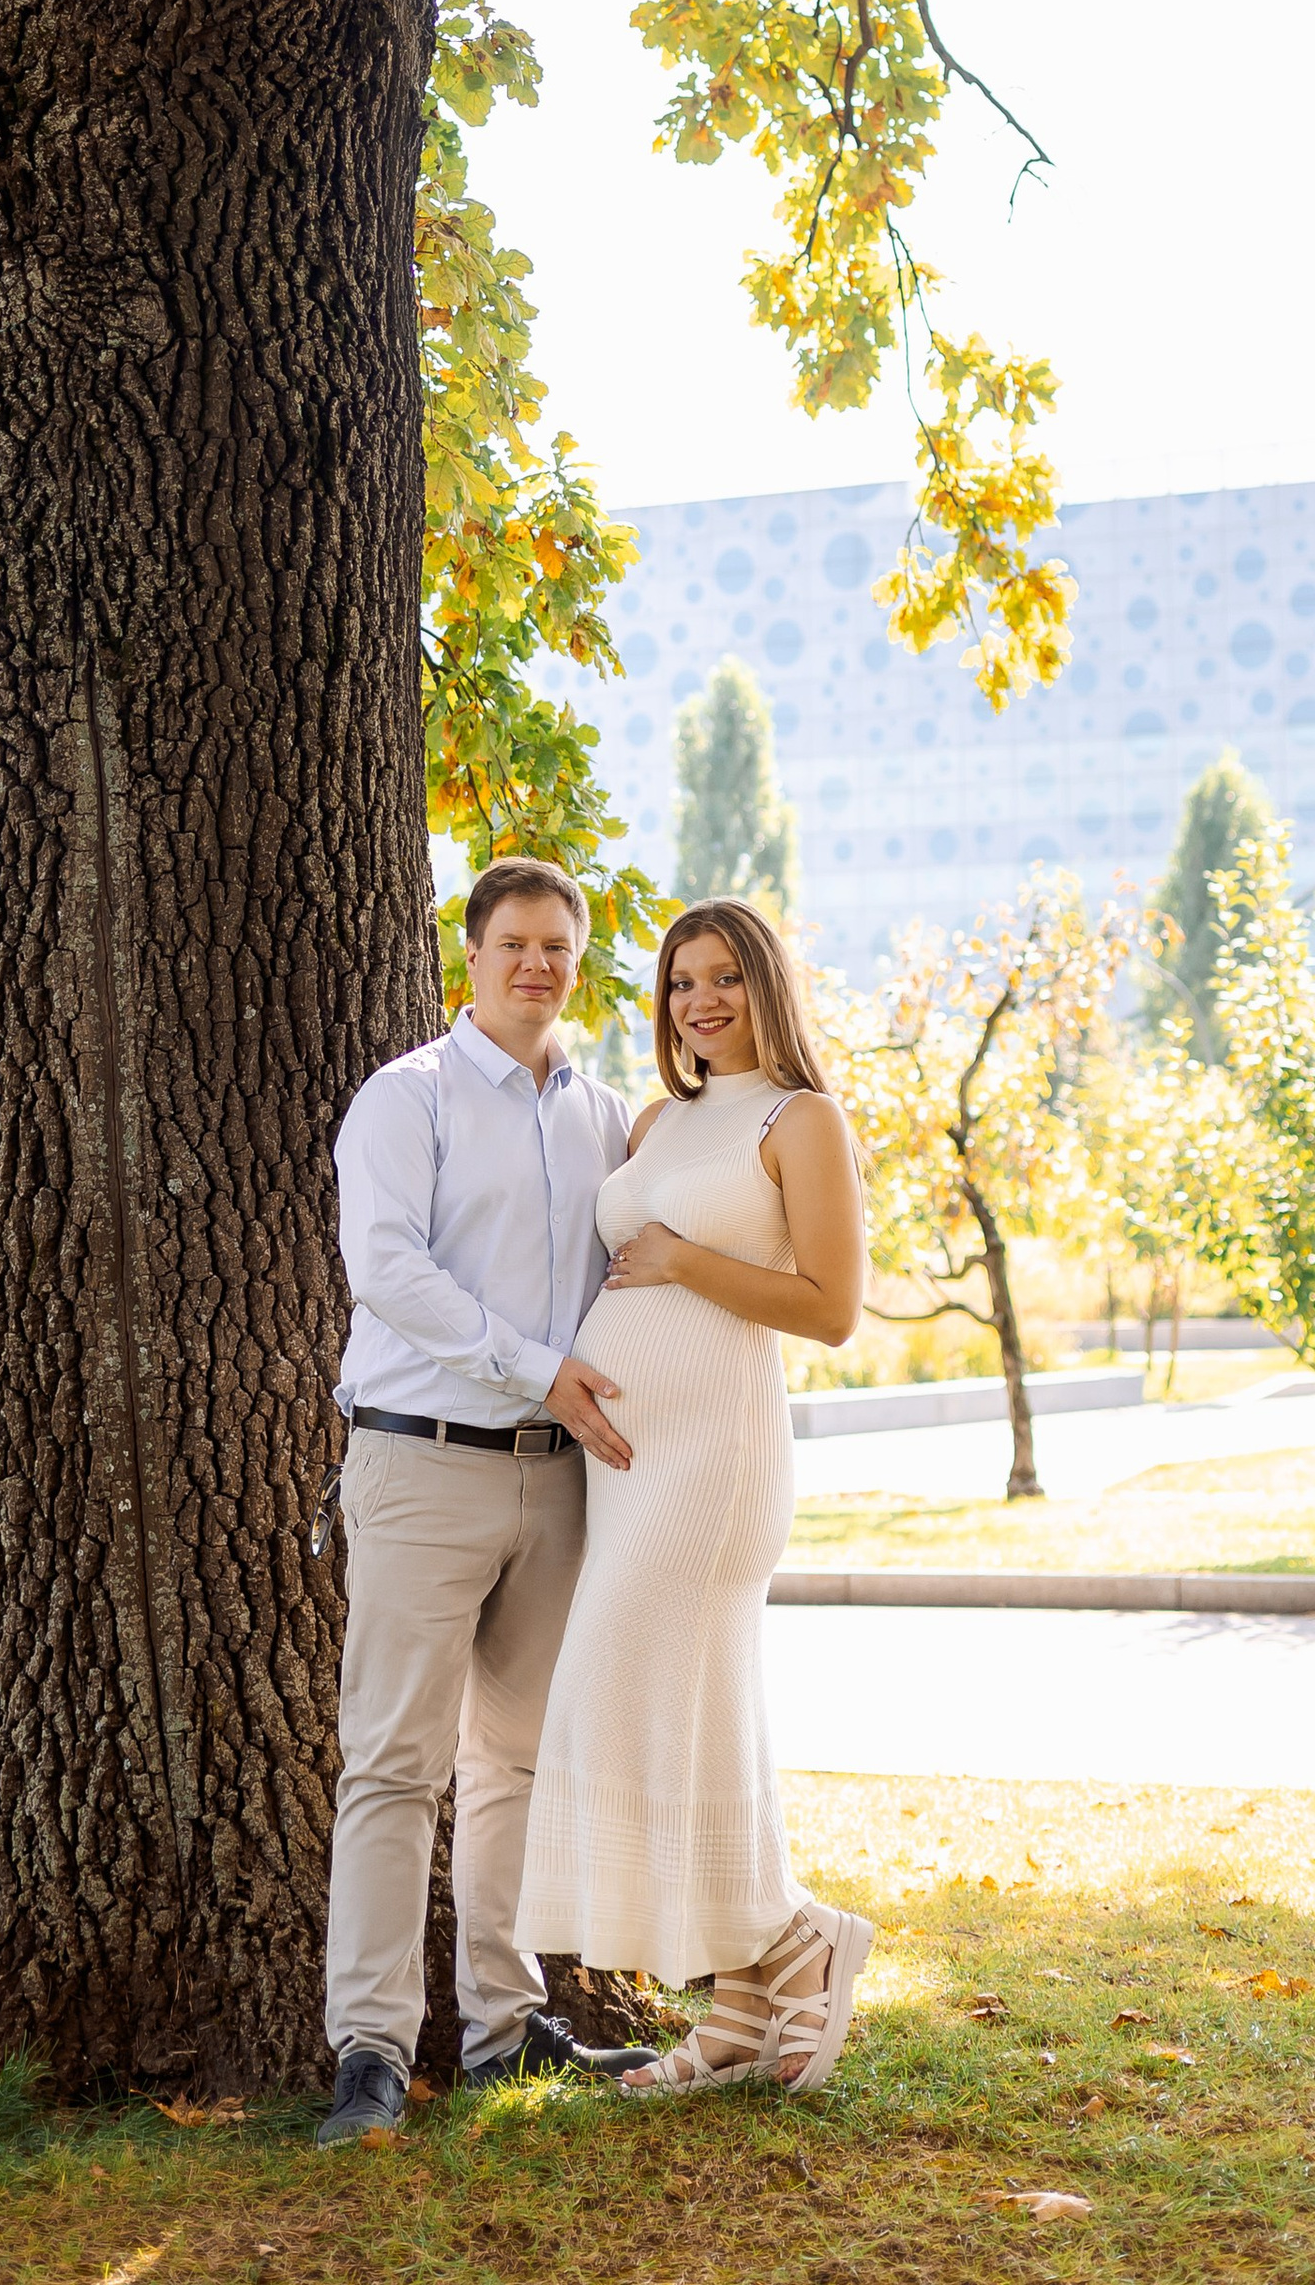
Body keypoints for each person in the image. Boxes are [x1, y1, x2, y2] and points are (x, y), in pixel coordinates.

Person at [315, 854, 659, 2149]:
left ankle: (504, 2029)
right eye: (513, 942)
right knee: (393, 1766)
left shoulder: (607, 1112)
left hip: (556, 1481)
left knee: (512, 1763)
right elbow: (385, 1269)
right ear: (471, 955)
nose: (536, 965)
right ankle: (370, 2049)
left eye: (557, 948)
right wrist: (537, 1366)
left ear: (577, 960)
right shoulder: (407, 1098)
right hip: (421, 1464)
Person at [513, 896, 874, 2096]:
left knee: (628, 1690)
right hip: (625, 1467)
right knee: (689, 1718)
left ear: (764, 982)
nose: (698, 1000)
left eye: (722, 976)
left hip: (714, 1462)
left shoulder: (798, 1118)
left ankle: (790, 1936)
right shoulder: (662, 1117)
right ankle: (730, 2012)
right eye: (680, 982)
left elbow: (828, 1306)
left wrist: (681, 1261)